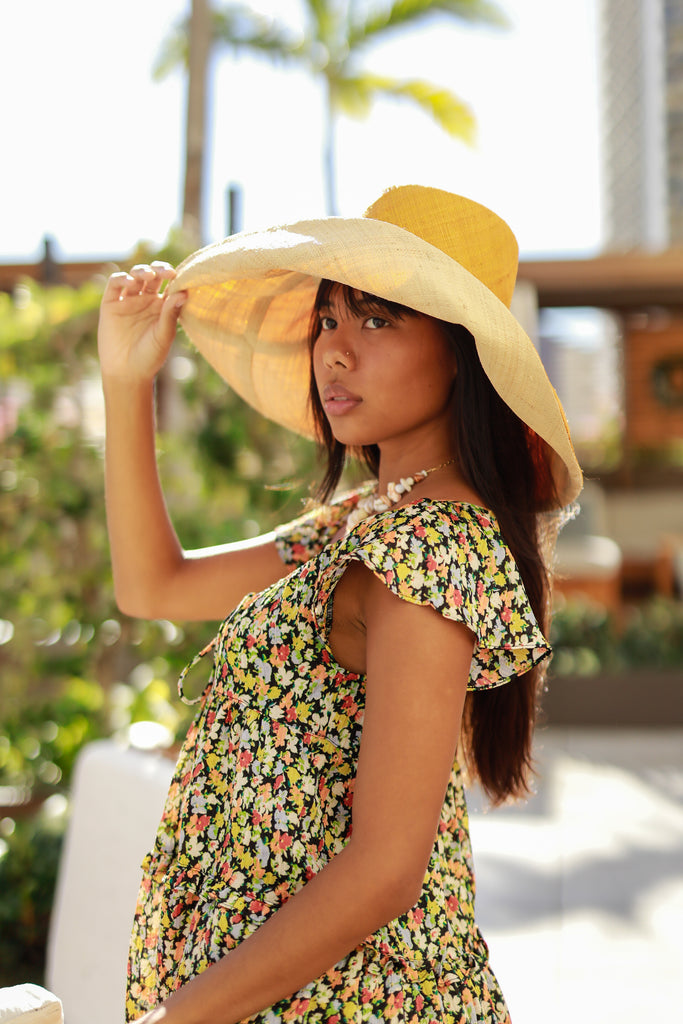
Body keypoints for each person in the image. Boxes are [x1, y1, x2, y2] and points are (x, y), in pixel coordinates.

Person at [97, 185, 582, 1024]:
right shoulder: (360, 523)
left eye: (377, 320)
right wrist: (123, 384)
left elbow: (386, 871)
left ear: (463, 353)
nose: (334, 352)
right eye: (327, 320)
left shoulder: (428, 548)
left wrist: (174, 1021)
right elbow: (154, 586)